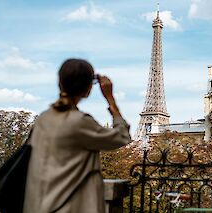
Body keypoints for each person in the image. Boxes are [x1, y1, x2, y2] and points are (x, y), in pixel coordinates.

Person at [23, 58, 131, 213]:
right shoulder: (80, 122)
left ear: (60, 83)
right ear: (88, 89)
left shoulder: (43, 119)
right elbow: (122, 136)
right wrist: (110, 100)